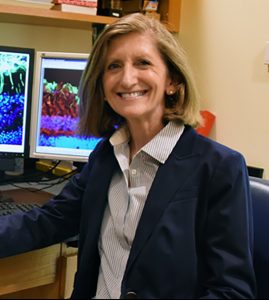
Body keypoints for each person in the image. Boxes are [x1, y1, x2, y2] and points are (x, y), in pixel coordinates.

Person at [0, 13, 256, 299]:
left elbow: (231, 292)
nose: (127, 78)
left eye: (143, 63)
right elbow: (47, 221)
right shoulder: (106, 156)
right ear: (102, 84)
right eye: (114, 66)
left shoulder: (219, 167)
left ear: (172, 80)